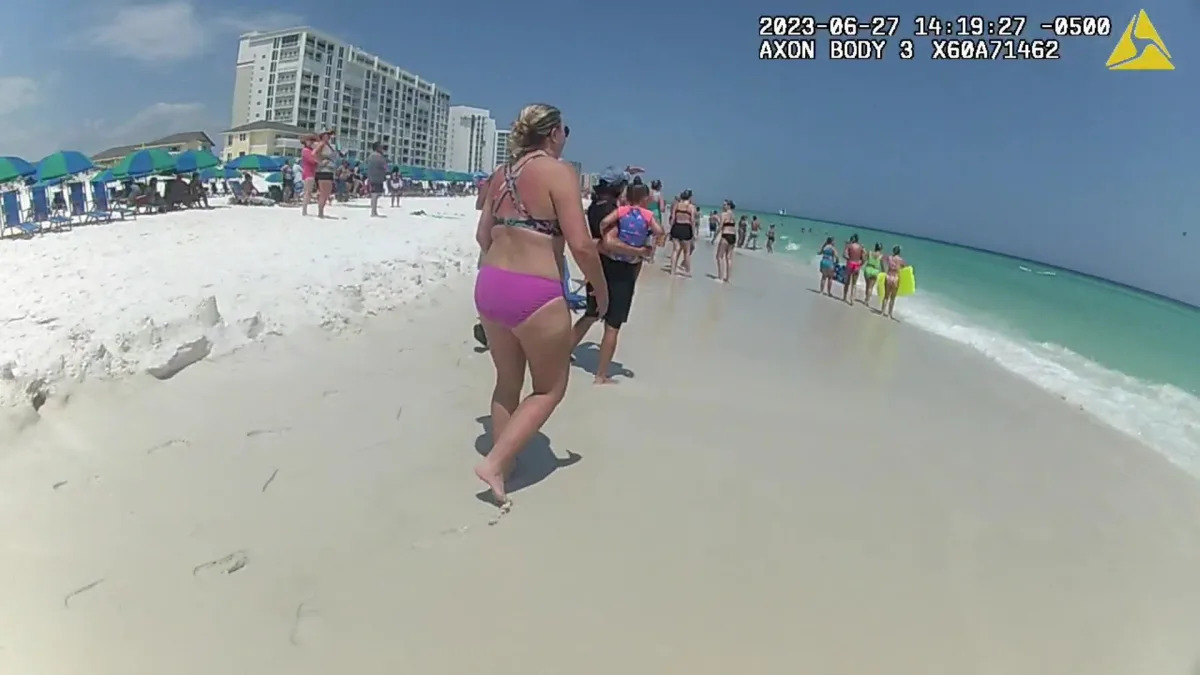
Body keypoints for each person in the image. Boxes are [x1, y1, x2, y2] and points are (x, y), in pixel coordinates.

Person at [472, 103, 605, 508]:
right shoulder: (559, 173)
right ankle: (495, 463)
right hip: (535, 291)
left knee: (507, 381)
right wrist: (600, 290)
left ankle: (506, 466)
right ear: (552, 134)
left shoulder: (501, 174)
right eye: (565, 130)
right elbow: (581, 244)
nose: (566, 137)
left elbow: (482, 235)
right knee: (549, 387)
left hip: (490, 285)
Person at [583, 182, 662, 384]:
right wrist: (647, 246)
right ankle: (601, 375)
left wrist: (602, 231)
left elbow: (604, 225)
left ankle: (563, 354)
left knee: (591, 314)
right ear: (645, 199)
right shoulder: (647, 216)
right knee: (613, 326)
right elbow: (659, 231)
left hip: (607, 265)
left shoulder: (618, 211)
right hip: (625, 271)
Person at [571, 167, 627, 351]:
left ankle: (565, 349)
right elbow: (609, 243)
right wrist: (639, 250)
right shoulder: (610, 210)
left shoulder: (596, 205)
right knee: (610, 321)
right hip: (610, 267)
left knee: (591, 313)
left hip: (595, 264)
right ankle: (566, 351)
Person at [667, 189, 696, 276]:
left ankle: (672, 270)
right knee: (686, 252)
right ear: (690, 197)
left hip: (676, 227)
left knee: (675, 250)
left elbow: (673, 218)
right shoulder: (691, 207)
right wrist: (693, 234)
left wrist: (670, 230)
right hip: (686, 228)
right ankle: (687, 271)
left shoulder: (677, 205)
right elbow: (692, 221)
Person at [314, 131, 336, 218]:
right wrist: (321, 162)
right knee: (324, 193)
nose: (328, 136)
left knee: (327, 192)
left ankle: (321, 211)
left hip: (329, 170)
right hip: (324, 170)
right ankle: (320, 212)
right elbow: (314, 154)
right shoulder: (321, 144)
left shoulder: (328, 145)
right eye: (326, 135)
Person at [881, 245, 908, 319]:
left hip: (888, 276)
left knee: (886, 296)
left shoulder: (889, 257)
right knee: (892, 298)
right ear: (899, 252)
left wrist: (883, 269)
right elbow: (905, 267)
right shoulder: (901, 260)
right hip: (895, 278)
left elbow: (882, 259)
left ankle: (882, 312)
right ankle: (889, 314)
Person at [716, 200, 737, 283]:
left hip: (725, 235)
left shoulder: (723, 214)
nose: (723, 206)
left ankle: (720, 277)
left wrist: (714, 237)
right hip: (733, 236)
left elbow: (721, 226)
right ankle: (728, 278)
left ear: (729, 206)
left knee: (719, 256)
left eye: (724, 205)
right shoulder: (733, 215)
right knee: (729, 258)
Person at [646, 179, 666, 263]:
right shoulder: (659, 195)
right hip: (655, 215)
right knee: (654, 237)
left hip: (646, 214)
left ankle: (641, 253)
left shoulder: (647, 193)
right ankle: (651, 258)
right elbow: (661, 208)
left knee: (644, 235)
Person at [842, 233, 864, 304]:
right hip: (857, 265)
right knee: (854, 284)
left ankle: (844, 297)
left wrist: (848, 259)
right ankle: (852, 299)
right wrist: (861, 264)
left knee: (847, 282)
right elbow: (863, 258)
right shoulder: (861, 247)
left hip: (850, 264)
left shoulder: (849, 246)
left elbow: (844, 255)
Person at [300, 136, 318, 216]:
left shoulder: (309, 150)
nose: (311, 143)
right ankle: (304, 210)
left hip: (310, 172)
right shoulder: (306, 150)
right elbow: (312, 161)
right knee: (307, 192)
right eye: (310, 141)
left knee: (308, 192)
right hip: (308, 172)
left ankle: (305, 210)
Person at [862, 243, 884, 308]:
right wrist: (884, 272)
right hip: (875, 271)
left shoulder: (870, 253)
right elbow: (882, 266)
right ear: (881, 249)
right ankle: (867, 301)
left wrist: (864, 250)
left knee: (867, 285)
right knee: (870, 287)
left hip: (868, 269)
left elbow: (864, 259)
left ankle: (866, 298)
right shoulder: (881, 256)